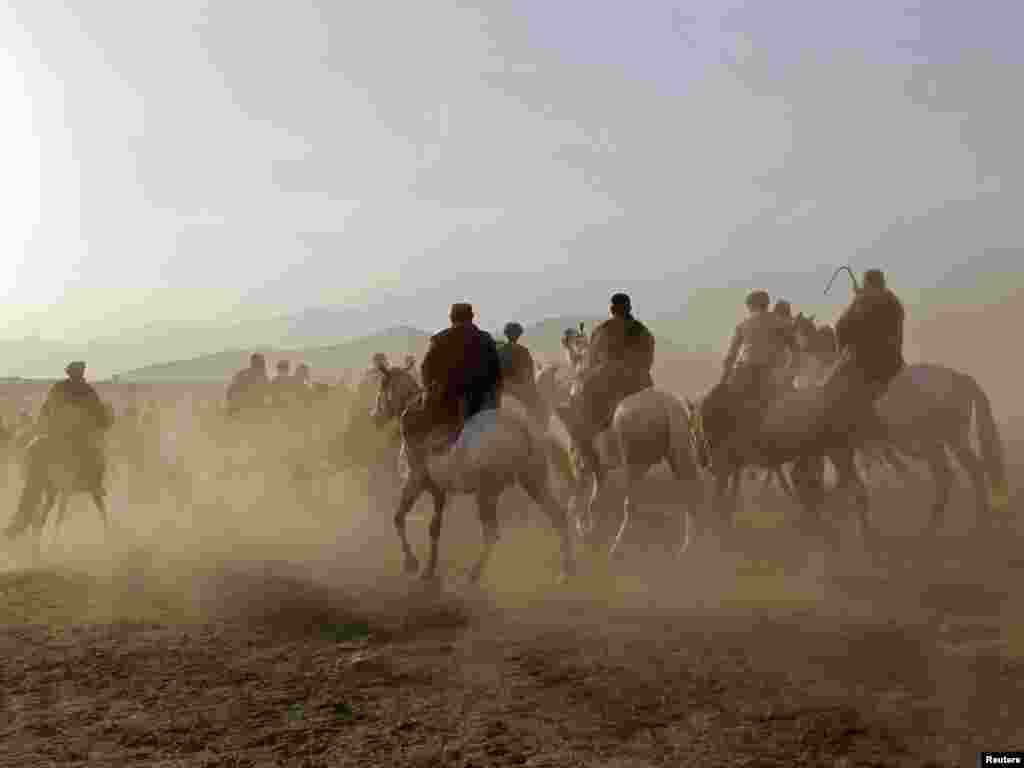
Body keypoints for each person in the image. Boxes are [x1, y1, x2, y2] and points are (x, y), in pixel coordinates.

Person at [408, 302, 503, 448]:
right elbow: (497, 372)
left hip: (448, 402)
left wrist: (429, 388)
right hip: (484, 401)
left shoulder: (440, 339)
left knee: (408, 419)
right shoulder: (486, 338)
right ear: (471, 318)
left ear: (452, 318)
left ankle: (417, 468)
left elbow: (426, 368)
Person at [573, 293, 655, 457]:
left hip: (606, 379)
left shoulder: (602, 330)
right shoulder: (643, 330)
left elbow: (590, 361)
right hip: (639, 381)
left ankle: (584, 451)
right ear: (629, 308)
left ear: (612, 309)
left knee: (581, 402)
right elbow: (648, 360)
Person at [829, 268, 905, 435]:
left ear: (867, 283)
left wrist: (857, 299)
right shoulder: (894, 301)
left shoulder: (863, 300)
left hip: (867, 362)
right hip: (895, 362)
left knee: (831, 388)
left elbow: (841, 326)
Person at [37, 361, 114, 492]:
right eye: (79, 371)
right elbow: (99, 411)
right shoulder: (87, 389)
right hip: (77, 435)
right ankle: (95, 485)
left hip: (55, 432)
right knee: (95, 456)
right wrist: (103, 422)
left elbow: (46, 408)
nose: (80, 374)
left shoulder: (58, 387)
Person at [721, 290, 797, 409]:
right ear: (767, 304)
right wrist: (788, 375)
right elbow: (795, 350)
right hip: (772, 373)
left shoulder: (742, 325)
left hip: (746, 373)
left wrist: (722, 382)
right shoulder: (781, 323)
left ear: (750, 306)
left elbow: (730, 357)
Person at [498, 321, 543, 420]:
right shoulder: (524, 352)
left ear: (506, 334)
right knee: (539, 409)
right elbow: (529, 376)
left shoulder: (499, 351)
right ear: (519, 335)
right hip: (519, 393)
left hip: (502, 392)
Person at [226, 353, 270, 419]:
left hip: (246, 406)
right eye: (261, 362)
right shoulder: (262, 376)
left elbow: (230, 390)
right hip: (254, 406)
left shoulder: (242, 373)